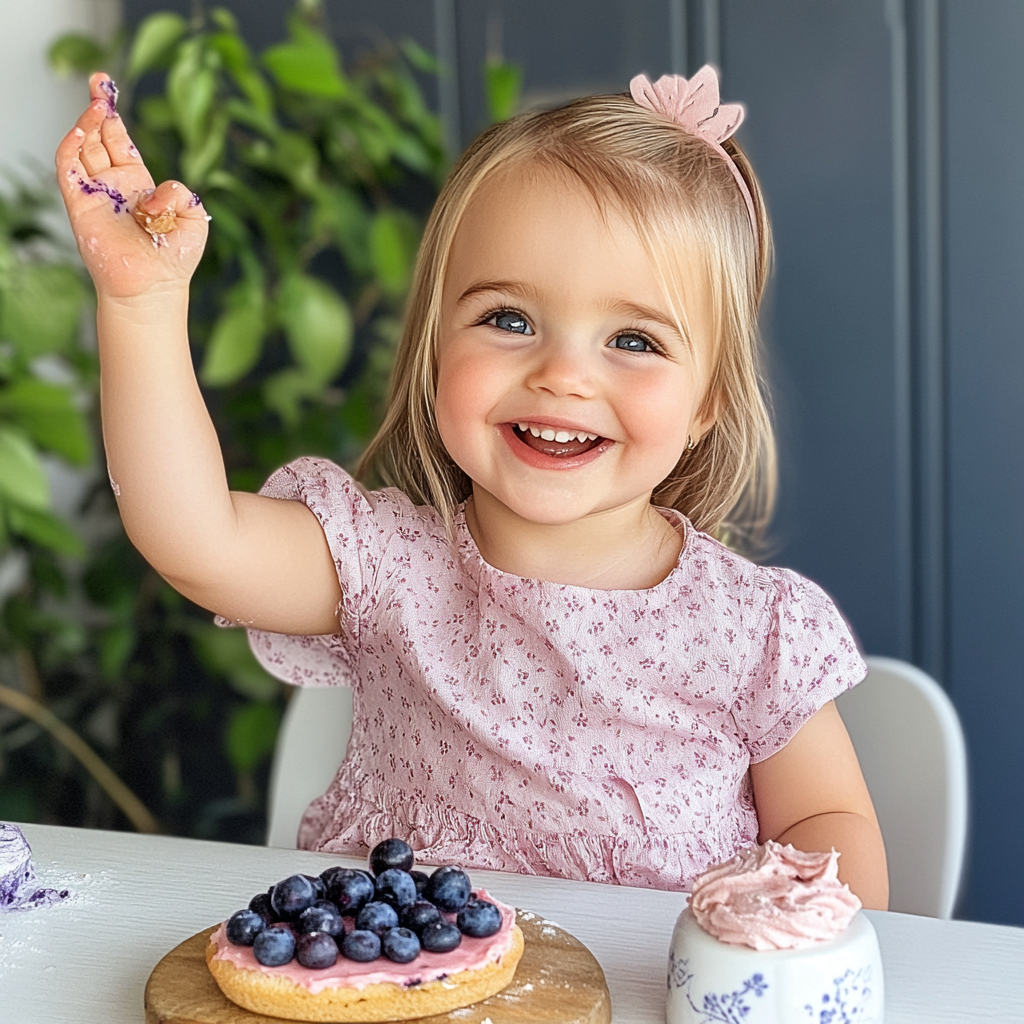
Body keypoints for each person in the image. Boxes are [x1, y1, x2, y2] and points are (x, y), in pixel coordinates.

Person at [57, 67, 888, 908]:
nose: (563, 376)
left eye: (633, 340)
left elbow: (827, 819)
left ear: (707, 399)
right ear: (436, 349)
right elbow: (192, 536)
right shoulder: (387, 570)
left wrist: (799, 948)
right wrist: (143, 306)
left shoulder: (753, 631)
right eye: (509, 320)